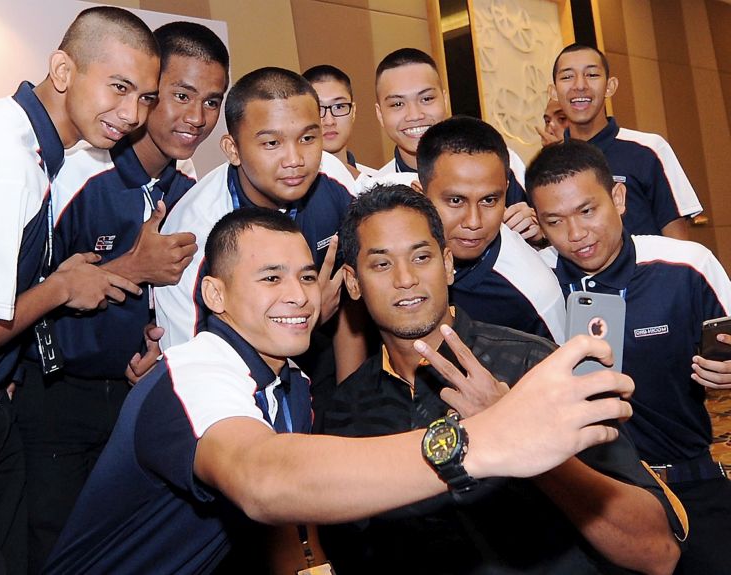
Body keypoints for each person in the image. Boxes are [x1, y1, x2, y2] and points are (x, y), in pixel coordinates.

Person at [46, 206, 641, 574]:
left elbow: (290, 532)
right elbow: (264, 481)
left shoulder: (293, 387)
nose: (298, 295)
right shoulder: (196, 371)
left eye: (307, 276)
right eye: (270, 277)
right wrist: (482, 440)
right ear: (215, 295)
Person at [316, 183, 683, 574]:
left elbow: (656, 552)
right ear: (353, 282)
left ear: (447, 265)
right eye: (382, 264)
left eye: (421, 257)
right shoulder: (345, 414)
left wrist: (520, 433)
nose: (405, 278)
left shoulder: (535, 367)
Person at [0, 6, 158, 574]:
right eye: (119, 87)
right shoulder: (7, 163)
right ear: (63, 70)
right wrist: (59, 290)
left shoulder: (10, 133)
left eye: (145, 98)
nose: (132, 115)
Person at [12, 21, 229, 572]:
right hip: (56, 398)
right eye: (181, 95)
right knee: (52, 554)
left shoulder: (192, 192)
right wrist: (129, 267)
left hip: (142, 400)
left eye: (212, 102)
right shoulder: (77, 175)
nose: (196, 117)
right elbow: (14, 296)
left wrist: (160, 348)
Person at [526, 139, 731, 573]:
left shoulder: (686, 267)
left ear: (618, 198)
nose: (576, 234)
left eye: (587, 210)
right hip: (591, 495)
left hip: (689, 479)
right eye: (554, 221)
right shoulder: (533, 283)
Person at [154, 66, 365, 385]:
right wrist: (308, 312)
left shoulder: (332, 179)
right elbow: (189, 370)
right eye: (271, 143)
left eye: (308, 138)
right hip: (232, 385)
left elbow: (353, 295)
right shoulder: (194, 235)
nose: (295, 159)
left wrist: (352, 398)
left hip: (322, 366)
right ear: (233, 150)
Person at [416, 115, 565, 342]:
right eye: (456, 201)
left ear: (506, 190)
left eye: (489, 200)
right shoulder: (392, 255)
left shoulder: (534, 292)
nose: (474, 222)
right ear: (420, 195)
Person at [371, 48, 538, 237]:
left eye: (426, 99)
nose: (415, 115)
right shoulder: (377, 189)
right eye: (397, 104)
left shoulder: (497, 163)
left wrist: (537, 232)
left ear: (445, 100)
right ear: (380, 114)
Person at [550, 43, 702, 239]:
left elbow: (677, 239)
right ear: (554, 92)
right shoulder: (549, 164)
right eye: (567, 77)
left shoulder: (649, 149)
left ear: (610, 86)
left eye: (592, 75)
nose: (580, 85)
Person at [303, 64, 376, 181]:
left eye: (339, 106)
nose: (329, 121)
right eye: (318, 109)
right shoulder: (292, 187)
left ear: (353, 111)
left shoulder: (374, 181)